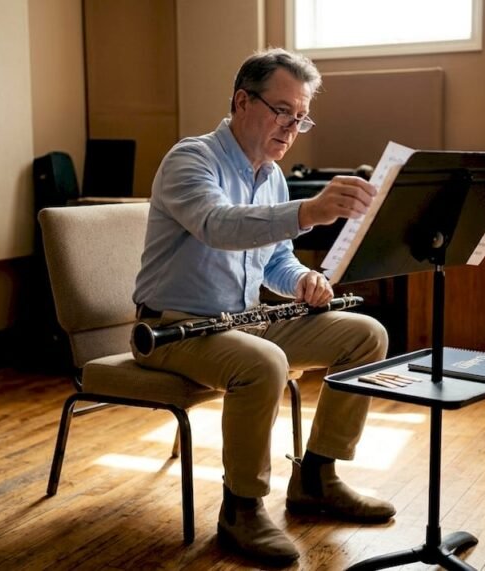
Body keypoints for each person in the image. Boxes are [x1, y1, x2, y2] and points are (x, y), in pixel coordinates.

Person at [131, 48, 393, 566]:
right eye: (282, 111)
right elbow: (218, 225)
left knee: (367, 335)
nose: (292, 128)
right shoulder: (191, 159)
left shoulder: (270, 175)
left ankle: (317, 477)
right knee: (264, 362)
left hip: (241, 324)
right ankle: (242, 507)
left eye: (301, 117)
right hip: (170, 330)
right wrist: (308, 211)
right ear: (241, 102)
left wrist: (303, 280)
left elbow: (275, 260)